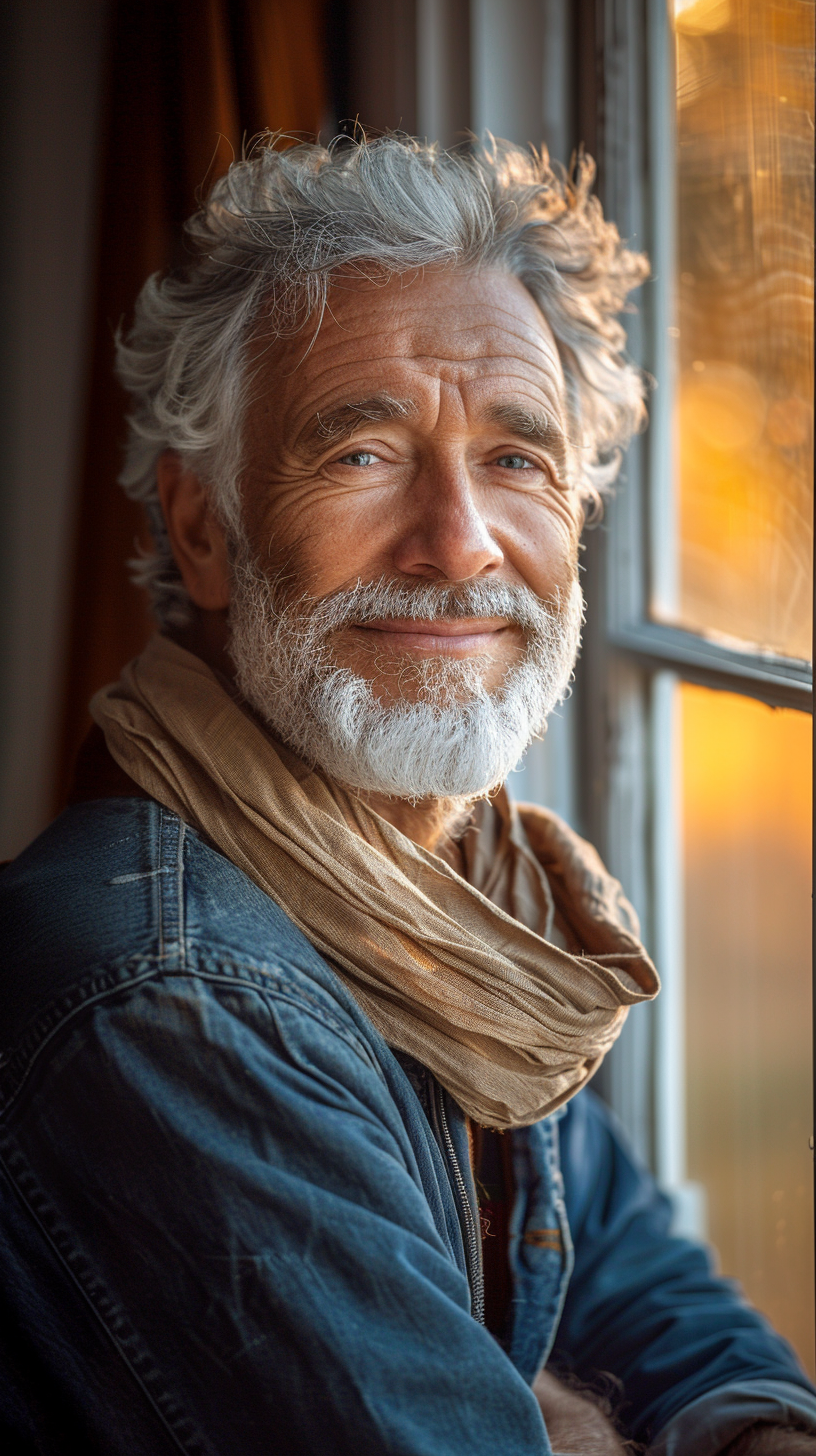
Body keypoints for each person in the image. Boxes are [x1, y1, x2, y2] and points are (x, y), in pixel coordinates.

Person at [1, 133, 814, 1456]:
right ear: (204, 527)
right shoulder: (167, 1000)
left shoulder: (477, 904)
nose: (459, 544)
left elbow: (657, 1301)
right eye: (363, 454)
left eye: (516, 459)